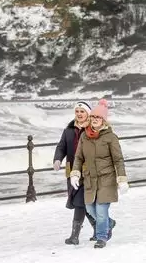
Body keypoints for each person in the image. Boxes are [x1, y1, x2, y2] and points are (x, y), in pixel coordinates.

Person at [70, 99, 128, 248]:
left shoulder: (110, 137)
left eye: (98, 117)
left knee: (101, 210)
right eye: (93, 117)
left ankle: (102, 237)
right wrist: (75, 173)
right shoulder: (84, 136)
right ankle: (110, 223)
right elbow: (78, 157)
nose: (95, 119)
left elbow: (118, 160)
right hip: (90, 179)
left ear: (103, 120)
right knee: (90, 208)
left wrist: (122, 179)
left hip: (106, 179)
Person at [53, 101, 97, 245]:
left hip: (88, 172)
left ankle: (74, 236)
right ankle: (102, 227)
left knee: (80, 202)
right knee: (83, 203)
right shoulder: (68, 130)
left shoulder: (93, 129)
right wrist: (57, 159)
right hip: (72, 171)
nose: (79, 114)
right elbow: (61, 147)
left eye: (82, 111)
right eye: (77, 111)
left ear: (88, 113)